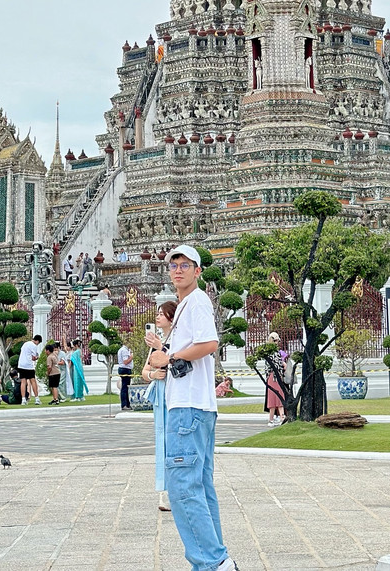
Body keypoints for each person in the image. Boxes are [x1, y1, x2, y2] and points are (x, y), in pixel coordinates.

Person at [145, 244, 237, 571]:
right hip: (195, 406)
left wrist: (169, 357)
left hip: (188, 409)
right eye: (174, 265)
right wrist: (165, 354)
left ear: (198, 271)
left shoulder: (196, 301)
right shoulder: (186, 305)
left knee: (182, 487)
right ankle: (217, 561)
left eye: (185, 265)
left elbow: (209, 344)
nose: (178, 270)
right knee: (199, 487)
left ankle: (213, 563)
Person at [142, 300, 177, 512]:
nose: (157, 317)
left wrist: (160, 348)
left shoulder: (177, 339)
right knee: (162, 440)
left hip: (175, 395)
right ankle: (164, 492)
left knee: (174, 440)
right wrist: (153, 375)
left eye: (162, 314)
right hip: (161, 393)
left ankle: (175, 490)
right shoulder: (160, 340)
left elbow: (177, 361)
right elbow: (145, 371)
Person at [264, 332, 286, 427]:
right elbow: (277, 365)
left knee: (279, 397)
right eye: (276, 341)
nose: (278, 343)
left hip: (275, 376)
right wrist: (283, 365)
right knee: (274, 398)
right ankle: (273, 418)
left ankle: (280, 417)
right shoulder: (272, 353)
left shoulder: (273, 352)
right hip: (274, 377)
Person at [17, 334, 43, 405]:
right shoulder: (34, 346)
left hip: (21, 364)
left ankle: (23, 399)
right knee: (33, 381)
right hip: (28, 365)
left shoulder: (25, 343)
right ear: (37, 341)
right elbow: (33, 357)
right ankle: (37, 398)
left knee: (23, 382)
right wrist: (37, 357)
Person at [117, 341, 133, 410]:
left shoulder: (124, 350)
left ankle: (127, 404)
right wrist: (131, 357)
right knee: (124, 388)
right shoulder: (124, 350)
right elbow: (125, 361)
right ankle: (124, 405)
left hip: (124, 369)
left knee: (126, 387)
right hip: (125, 369)